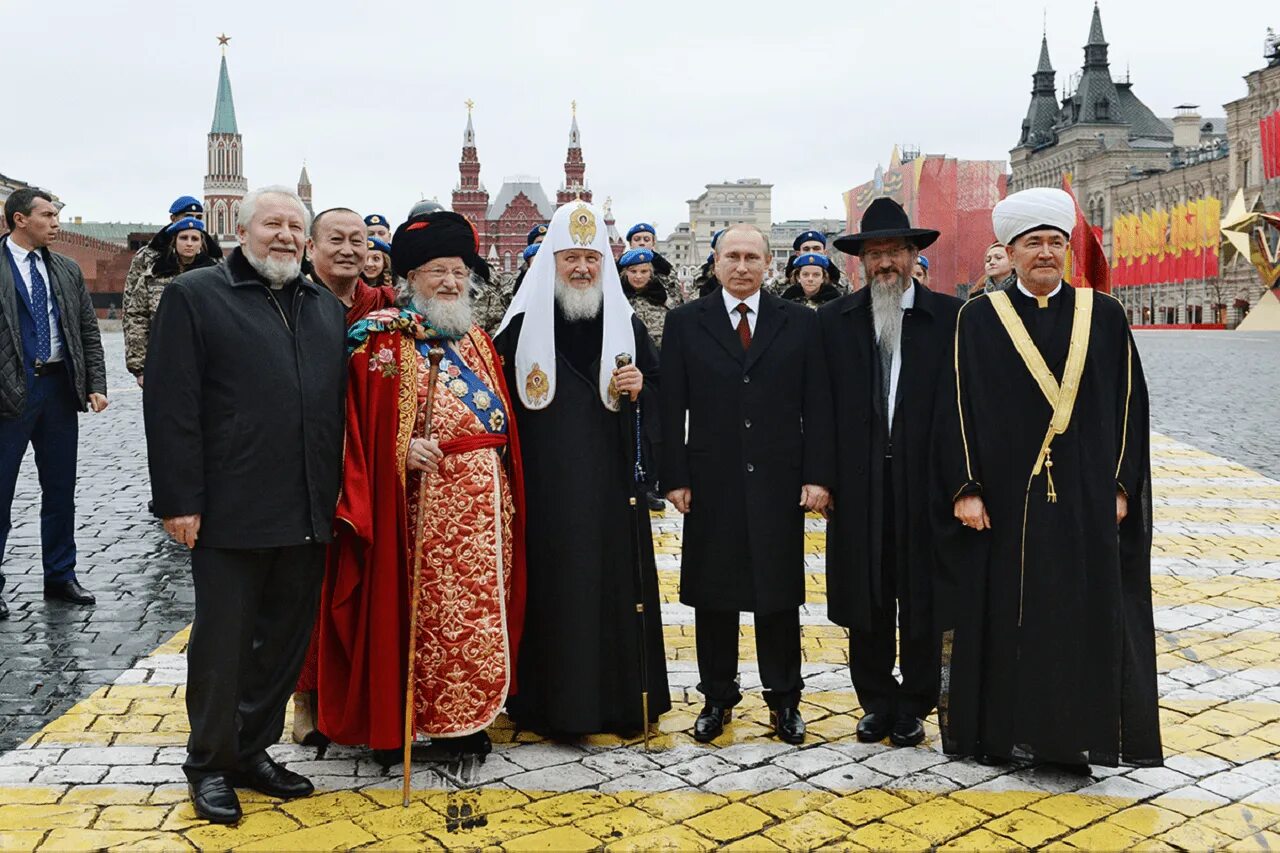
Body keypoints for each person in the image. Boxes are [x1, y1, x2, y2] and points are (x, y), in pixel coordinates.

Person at [935, 187, 1160, 773]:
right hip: (1006, 503)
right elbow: (955, 406)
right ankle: (1006, 734)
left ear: (1068, 250)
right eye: (1031, 243)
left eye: (1054, 242)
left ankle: (1074, 738)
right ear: (1008, 252)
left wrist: (1120, 486)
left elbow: (1130, 407)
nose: (1044, 253)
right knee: (1009, 616)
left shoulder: (1104, 315)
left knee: (1077, 616)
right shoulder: (979, 317)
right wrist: (967, 486)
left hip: (1085, 500)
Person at [144, 186, 346, 823]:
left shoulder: (322, 307)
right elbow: (171, 406)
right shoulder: (195, 296)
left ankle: (252, 749)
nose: (284, 235)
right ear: (242, 229)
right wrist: (179, 501)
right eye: (272, 224)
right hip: (230, 507)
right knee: (224, 644)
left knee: (284, 641)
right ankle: (208, 762)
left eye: (295, 226)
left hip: (308, 506)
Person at [315, 210, 526, 761]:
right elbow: (353, 430)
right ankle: (408, 720)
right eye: (438, 272)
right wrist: (399, 450)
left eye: (459, 272)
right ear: (411, 280)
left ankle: (469, 719)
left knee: (481, 615)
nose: (452, 283)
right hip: (420, 511)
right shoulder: (382, 342)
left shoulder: (477, 338)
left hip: (487, 512)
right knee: (426, 616)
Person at [494, 200, 670, 735]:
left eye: (591, 260)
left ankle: (618, 705)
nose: (581, 269)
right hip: (543, 497)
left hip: (611, 497)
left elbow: (662, 398)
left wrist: (642, 392)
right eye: (570, 258)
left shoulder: (628, 326)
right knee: (552, 596)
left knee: (612, 594)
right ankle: (548, 706)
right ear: (550, 263)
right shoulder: (521, 328)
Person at [661, 223, 834, 745]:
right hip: (711, 482)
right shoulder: (685, 323)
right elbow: (672, 408)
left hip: (779, 481)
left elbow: (819, 405)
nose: (741, 266)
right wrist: (675, 477)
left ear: (767, 265)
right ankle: (717, 697)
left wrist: (818, 476)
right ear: (714, 264)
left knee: (778, 595)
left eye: (751, 257)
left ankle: (785, 700)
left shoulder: (800, 323)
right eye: (731, 257)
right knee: (715, 595)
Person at [820, 198, 960, 748]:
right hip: (859, 485)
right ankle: (876, 700)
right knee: (868, 594)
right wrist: (822, 477)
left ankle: (916, 702)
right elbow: (819, 406)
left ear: (913, 256)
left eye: (894, 252)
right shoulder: (834, 321)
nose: (884, 262)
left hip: (927, 483)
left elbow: (964, 407)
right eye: (874, 253)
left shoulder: (951, 317)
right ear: (860, 261)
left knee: (923, 594)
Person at [0, 188, 109, 621]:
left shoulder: (64, 269)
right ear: (20, 219)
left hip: (59, 391)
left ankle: (61, 574)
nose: (56, 221)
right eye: (48, 214)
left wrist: (95, 383)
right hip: (8, 393)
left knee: (61, 491)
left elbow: (86, 329)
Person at [123, 217, 222, 384]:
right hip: (163, 360)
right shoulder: (153, 276)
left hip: (206, 364)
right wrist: (140, 368)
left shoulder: (215, 277)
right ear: (174, 242)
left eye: (194, 239)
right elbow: (136, 319)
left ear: (201, 244)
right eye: (184, 238)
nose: (189, 243)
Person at [619, 247, 670, 512]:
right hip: (625, 371)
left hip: (655, 370)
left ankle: (650, 485)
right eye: (633, 272)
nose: (639, 277)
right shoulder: (616, 299)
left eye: (644, 272)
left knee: (653, 432)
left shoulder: (664, 299)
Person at [122, 196, 206, 345]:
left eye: (198, 217)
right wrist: (138, 355)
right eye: (188, 216)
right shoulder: (147, 256)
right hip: (159, 344)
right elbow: (132, 307)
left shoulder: (212, 258)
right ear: (173, 218)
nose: (195, 221)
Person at [306, 208, 396, 323]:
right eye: (336, 239)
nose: (347, 251)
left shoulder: (382, 301)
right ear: (311, 247)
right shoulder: (295, 300)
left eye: (356, 241)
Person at [626, 222, 681, 305]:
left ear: (653, 243)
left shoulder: (665, 269)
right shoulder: (619, 266)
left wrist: (662, 297)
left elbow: (677, 302)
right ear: (630, 244)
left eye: (646, 239)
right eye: (637, 239)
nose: (642, 243)